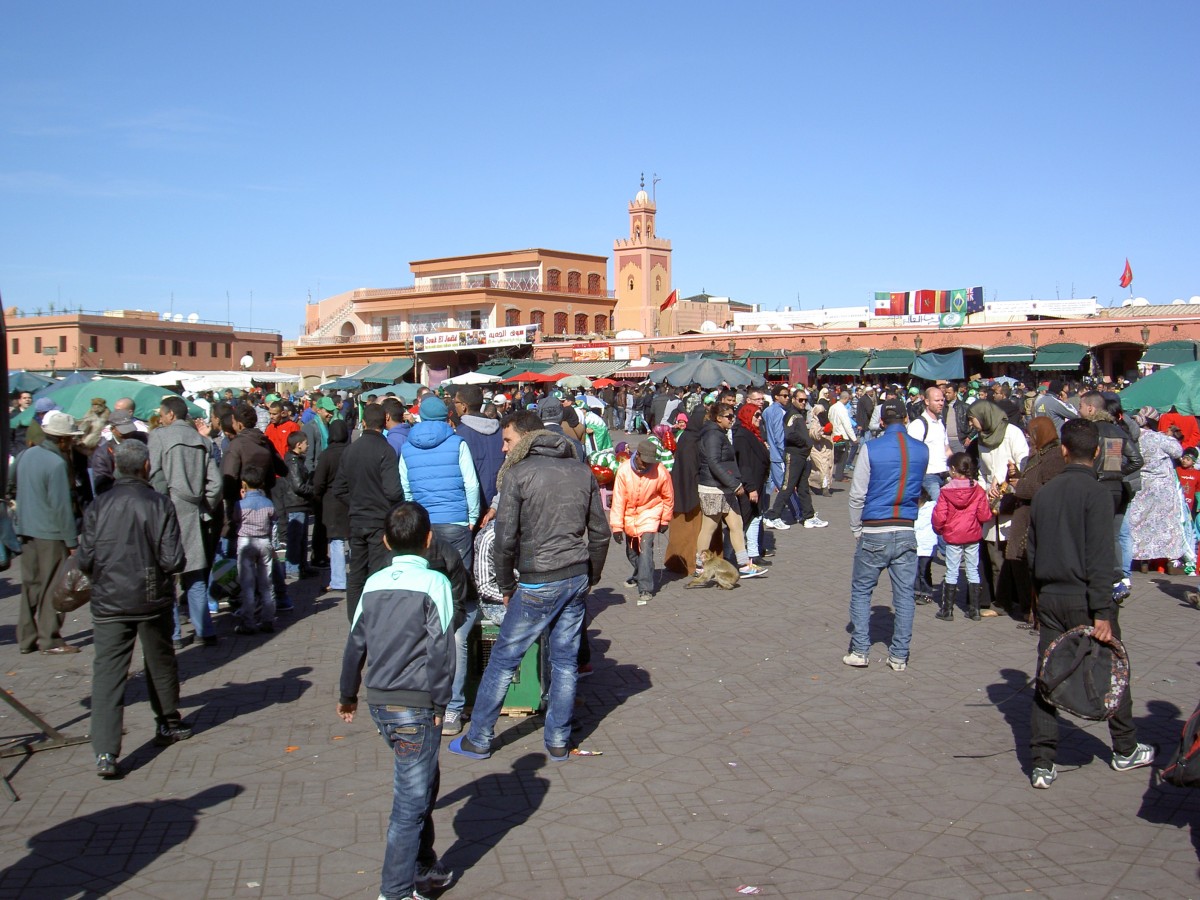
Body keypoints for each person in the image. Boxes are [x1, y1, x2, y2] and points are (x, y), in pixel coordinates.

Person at [449, 420, 609, 762]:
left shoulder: (518, 475)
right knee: (565, 662)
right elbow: (600, 532)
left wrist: (506, 585)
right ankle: (558, 741)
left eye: (507, 441)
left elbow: (504, 539)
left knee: (504, 660)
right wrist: (590, 575)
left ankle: (479, 738)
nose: (503, 448)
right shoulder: (581, 472)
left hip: (539, 577)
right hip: (574, 573)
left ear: (525, 442)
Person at [1025, 418, 1155, 789]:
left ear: (1064, 451)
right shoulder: (1098, 494)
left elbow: (1032, 552)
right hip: (1085, 596)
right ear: (1096, 452)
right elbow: (1100, 557)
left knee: (1049, 673)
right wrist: (1103, 611)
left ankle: (1042, 761)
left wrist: (1039, 596)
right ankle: (1125, 747)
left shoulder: (1046, 493)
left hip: (1051, 594)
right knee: (1111, 669)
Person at [337, 502, 456, 900]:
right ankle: (396, 890)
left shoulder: (372, 583)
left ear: (386, 541)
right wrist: (441, 703)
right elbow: (442, 649)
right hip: (418, 703)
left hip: (381, 702)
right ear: (428, 539)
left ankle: (422, 866)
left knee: (424, 778)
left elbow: (356, 643)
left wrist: (348, 694)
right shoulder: (435, 583)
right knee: (409, 800)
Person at [79, 440, 191, 778]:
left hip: (110, 598)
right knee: (159, 662)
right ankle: (167, 721)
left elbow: (85, 558)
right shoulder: (158, 504)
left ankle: (105, 751)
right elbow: (173, 559)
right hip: (150, 595)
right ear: (145, 467)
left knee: (108, 675)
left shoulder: (99, 505)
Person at [844, 405, 929, 670]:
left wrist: (856, 528)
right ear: (906, 419)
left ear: (881, 421)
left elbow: (858, 494)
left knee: (861, 590)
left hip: (874, 527)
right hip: (905, 527)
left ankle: (860, 650)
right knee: (904, 595)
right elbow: (918, 487)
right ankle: (899, 655)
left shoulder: (872, 448)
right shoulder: (922, 449)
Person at [149, 395, 223, 649]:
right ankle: (204, 629)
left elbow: (154, 475)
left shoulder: (159, 437)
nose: (160, 417)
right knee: (196, 575)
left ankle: (174, 634)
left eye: (162, 413)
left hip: (168, 511)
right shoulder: (201, 441)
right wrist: (204, 506)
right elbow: (216, 484)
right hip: (194, 512)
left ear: (170, 415)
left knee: (168, 575)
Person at [13, 410, 83, 654]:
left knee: (30, 585)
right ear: (62, 439)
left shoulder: (24, 455)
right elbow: (62, 507)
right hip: (50, 533)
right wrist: (71, 540)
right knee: (54, 586)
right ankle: (50, 638)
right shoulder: (56, 464)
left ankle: (26, 637)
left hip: (26, 529)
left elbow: (12, 485)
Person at [332, 403, 404, 621]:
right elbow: (393, 491)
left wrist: (355, 501)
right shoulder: (385, 450)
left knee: (356, 573)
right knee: (378, 571)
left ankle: (355, 619)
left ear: (363, 422)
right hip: (379, 520)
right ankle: (375, 618)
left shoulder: (351, 450)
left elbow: (339, 489)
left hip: (357, 519)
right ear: (384, 422)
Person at [969, 399, 1030, 618]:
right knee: (994, 555)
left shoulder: (1012, 433)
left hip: (1012, 498)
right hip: (992, 503)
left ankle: (1020, 603)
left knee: (1014, 555)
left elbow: (1023, 460)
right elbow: (982, 472)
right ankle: (1001, 600)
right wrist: (987, 488)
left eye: (972, 418)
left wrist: (1011, 478)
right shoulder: (981, 440)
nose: (971, 423)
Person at [1004, 417, 1067, 627]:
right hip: (1026, 517)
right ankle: (1033, 614)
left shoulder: (1054, 456)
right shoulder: (1038, 454)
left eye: (1032, 433)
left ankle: (1042, 617)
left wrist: (1020, 486)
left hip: (1037, 519)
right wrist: (1018, 477)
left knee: (1037, 569)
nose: (1029, 437)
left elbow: (1050, 488)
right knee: (1026, 567)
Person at [695, 403, 765, 579]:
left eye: (733, 416)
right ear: (718, 418)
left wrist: (732, 484)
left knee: (736, 524)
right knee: (708, 528)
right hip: (713, 488)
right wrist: (734, 484)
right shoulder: (713, 435)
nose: (732, 420)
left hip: (725, 488)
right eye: (729, 417)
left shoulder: (719, 434)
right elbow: (714, 462)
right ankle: (700, 565)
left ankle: (743, 564)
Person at [610, 436, 674, 605]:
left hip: (651, 512)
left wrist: (665, 520)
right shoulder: (624, 470)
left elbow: (668, 497)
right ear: (637, 455)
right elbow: (618, 500)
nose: (646, 466)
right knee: (632, 551)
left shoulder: (660, 471)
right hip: (630, 515)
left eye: (650, 463)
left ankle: (645, 587)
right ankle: (639, 573)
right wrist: (617, 526)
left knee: (646, 548)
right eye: (644, 462)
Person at [931, 452, 993, 621]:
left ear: (952, 469)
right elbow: (984, 515)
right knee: (973, 570)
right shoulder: (978, 489)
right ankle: (975, 610)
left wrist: (938, 529)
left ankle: (947, 610)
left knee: (951, 571)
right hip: (972, 535)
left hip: (953, 536)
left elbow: (939, 515)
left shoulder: (945, 491)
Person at [1127, 406, 1187, 570]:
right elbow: (1177, 451)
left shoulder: (1133, 438)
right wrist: (1170, 436)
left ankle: (1142, 561)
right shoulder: (1159, 438)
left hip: (1140, 485)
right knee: (1166, 524)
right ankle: (1170, 560)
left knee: (1140, 523)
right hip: (1162, 488)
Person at [764, 388, 823, 530]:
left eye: (805, 400)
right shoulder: (790, 414)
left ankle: (808, 516)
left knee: (803, 487)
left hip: (801, 455)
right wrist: (805, 443)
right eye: (800, 400)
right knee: (787, 486)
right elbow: (787, 435)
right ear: (794, 399)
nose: (803, 402)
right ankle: (773, 515)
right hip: (793, 454)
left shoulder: (798, 414)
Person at [731, 403, 772, 564]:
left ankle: (753, 553)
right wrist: (751, 488)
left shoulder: (754, 433)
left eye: (760, 415)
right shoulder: (742, 435)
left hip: (758, 482)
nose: (759, 418)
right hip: (750, 484)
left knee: (755, 516)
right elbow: (744, 464)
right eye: (756, 415)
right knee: (741, 520)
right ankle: (731, 554)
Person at [313, 419, 350, 593]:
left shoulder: (326, 455)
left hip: (331, 502)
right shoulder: (352, 452)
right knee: (353, 540)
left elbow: (318, 482)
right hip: (351, 500)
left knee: (336, 541)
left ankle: (338, 580)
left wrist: (317, 496)